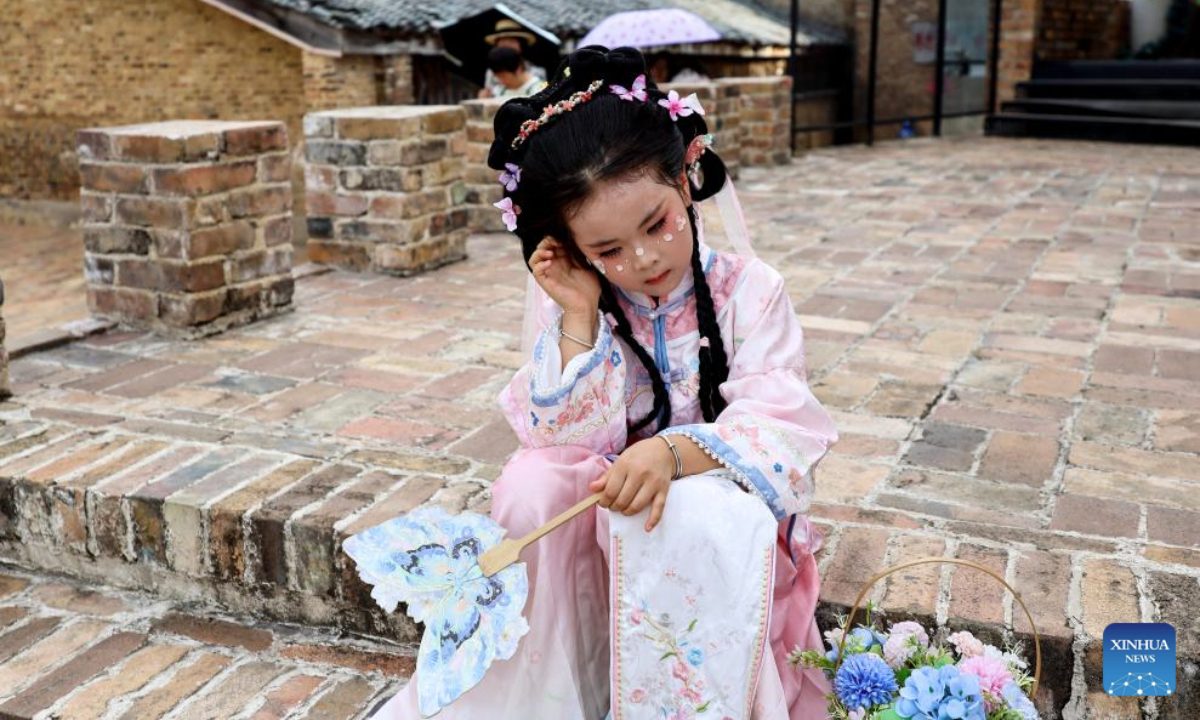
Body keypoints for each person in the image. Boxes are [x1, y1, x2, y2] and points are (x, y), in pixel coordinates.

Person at [368, 46, 837, 719]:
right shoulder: (586, 303)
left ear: (687, 177)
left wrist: (674, 455)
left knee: (688, 510)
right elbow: (559, 440)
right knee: (530, 484)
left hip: (717, 499)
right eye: (608, 250)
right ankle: (553, 694)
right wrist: (580, 313)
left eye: (657, 224)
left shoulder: (749, 293)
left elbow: (781, 421)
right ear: (575, 248)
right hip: (615, 493)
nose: (644, 259)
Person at [480, 18, 547, 99]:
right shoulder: (491, 72)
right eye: (503, 42)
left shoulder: (537, 72)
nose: (507, 45)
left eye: (511, 41)